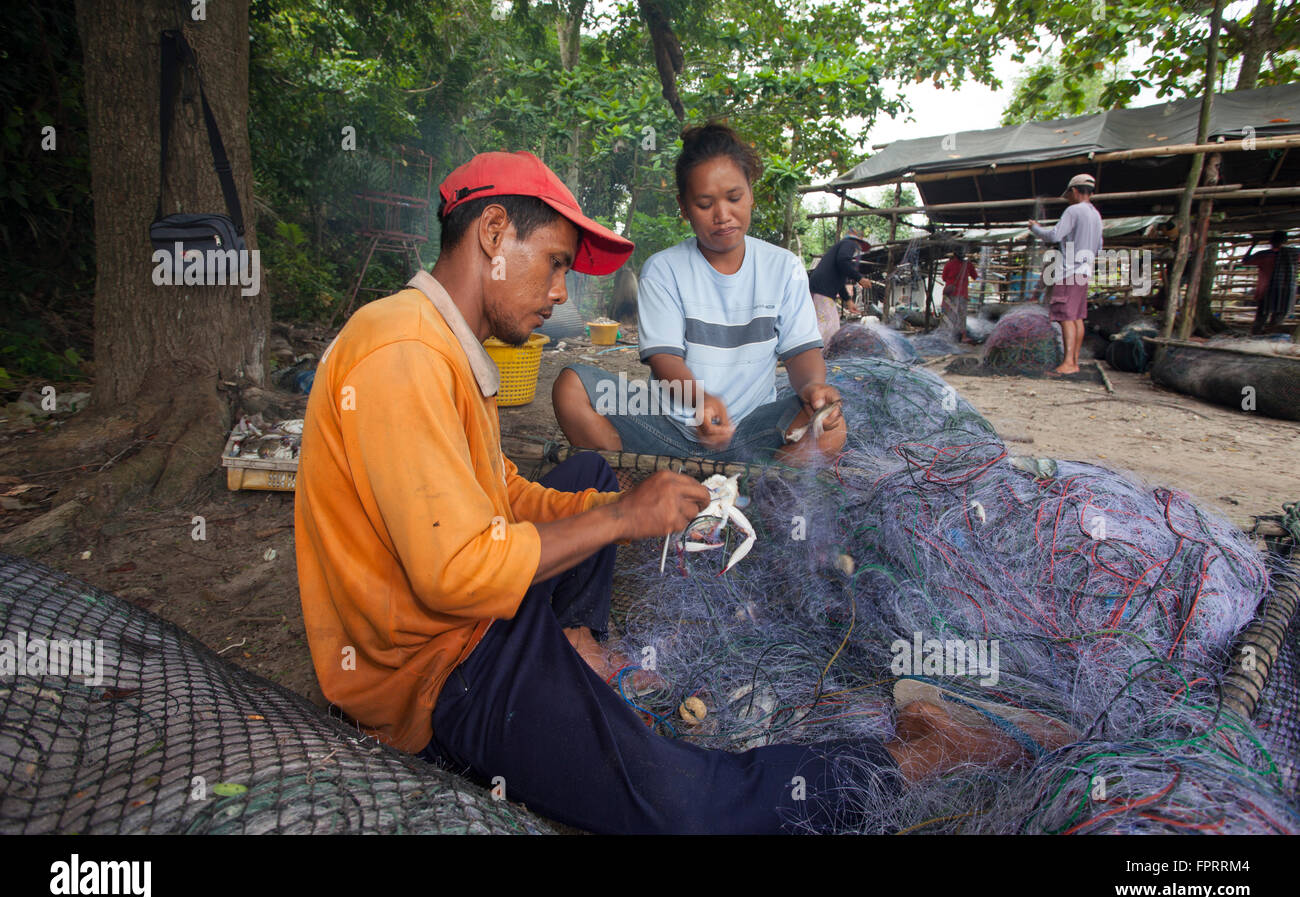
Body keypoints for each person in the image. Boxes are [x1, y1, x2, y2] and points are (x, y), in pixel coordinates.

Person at [294, 149, 1072, 834]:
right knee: (686, 810)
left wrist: (617, 514)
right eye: (558, 262)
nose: (562, 294)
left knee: (588, 478)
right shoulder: (402, 352)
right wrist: (619, 521)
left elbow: (503, 496)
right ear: (494, 234)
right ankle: (913, 756)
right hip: (440, 674)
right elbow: (453, 573)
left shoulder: (443, 350)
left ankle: (578, 644)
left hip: (474, 615)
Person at [553, 123, 845, 464]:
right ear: (684, 206)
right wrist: (699, 401)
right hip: (666, 429)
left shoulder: (784, 268)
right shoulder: (664, 269)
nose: (723, 215)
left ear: (751, 193)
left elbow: (800, 354)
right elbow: (666, 361)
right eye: (705, 203)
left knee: (831, 428)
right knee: (571, 388)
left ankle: (751, 488)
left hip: (750, 432)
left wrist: (812, 387)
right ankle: (634, 483)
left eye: (734, 198)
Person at [1027, 173, 1102, 375]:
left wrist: (1036, 228)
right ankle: (1074, 361)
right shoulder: (1096, 215)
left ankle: (1068, 363)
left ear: (1075, 191)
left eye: (1068, 194)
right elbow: (1099, 246)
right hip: (1084, 271)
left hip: (1070, 270)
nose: (1068, 198)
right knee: (1077, 317)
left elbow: (1054, 235)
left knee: (1066, 317)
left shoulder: (1074, 210)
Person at [808, 231, 868, 344]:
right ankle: (814, 355)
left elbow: (840, 282)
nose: (858, 249)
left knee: (830, 324)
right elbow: (843, 261)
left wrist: (849, 301)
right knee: (827, 325)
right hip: (822, 289)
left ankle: (819, 355)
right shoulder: (849, 244)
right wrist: (860, 278)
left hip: (820, 289)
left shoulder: (839, 254)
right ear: (857, 241)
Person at [1243, 230, 1297, 335]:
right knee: (1279, 315)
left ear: (1270, 241)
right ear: (1285, 241)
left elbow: (1245, 261)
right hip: (1285, 291)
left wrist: (1252, 245)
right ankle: (1271, 334)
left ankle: (1256, 335)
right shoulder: (1293, 253)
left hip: (1266, 290)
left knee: (1262, 316)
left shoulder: (1263, 255)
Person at [940, 246, 978, 342]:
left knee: (949, 315)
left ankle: (948, 336)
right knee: (962, 316)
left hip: (950, 295)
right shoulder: (968, 265)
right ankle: (963, 337)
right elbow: (975, 276)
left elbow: (944, 278)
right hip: (962, 294)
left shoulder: (949, 264)